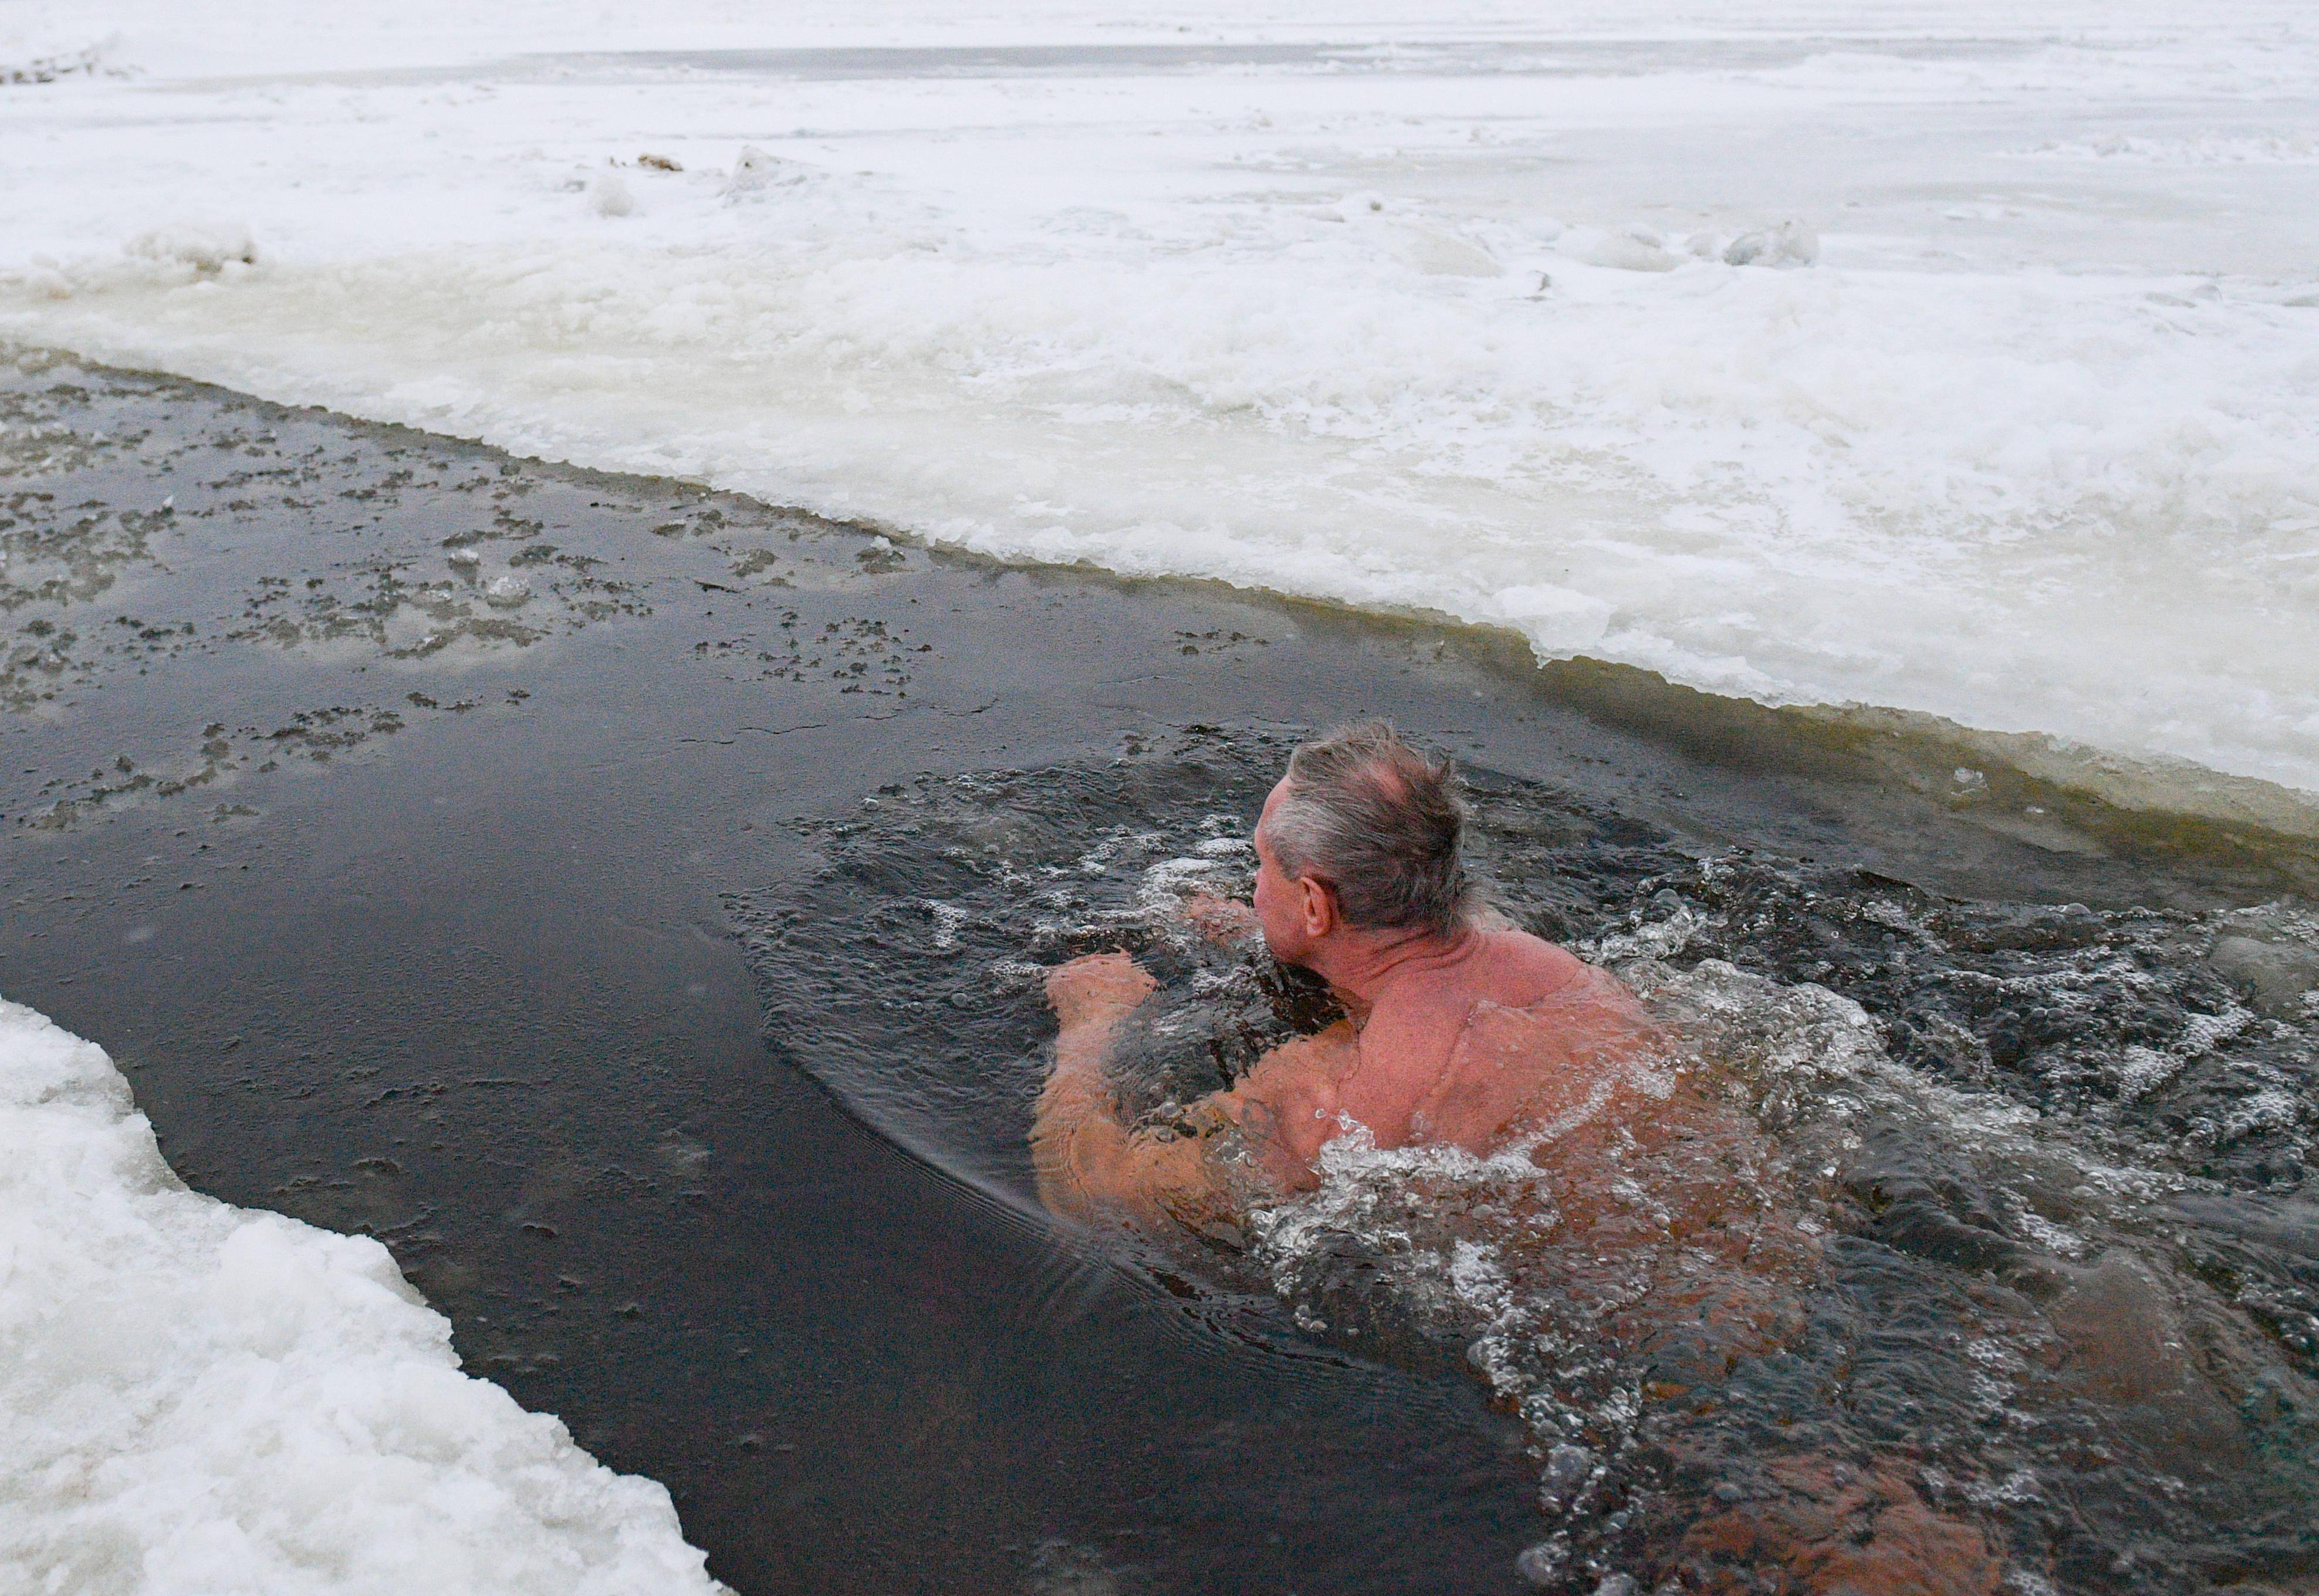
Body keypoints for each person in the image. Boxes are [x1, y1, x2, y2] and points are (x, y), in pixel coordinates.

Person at [1030, 720, 1661, 1235]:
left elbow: (1094, 1192)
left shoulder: (1331, 1096)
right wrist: (1267, 931)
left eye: (1260, 868)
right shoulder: (1551, 968)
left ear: (1314, 904)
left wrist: (1092, 1025)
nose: (1252, 889)